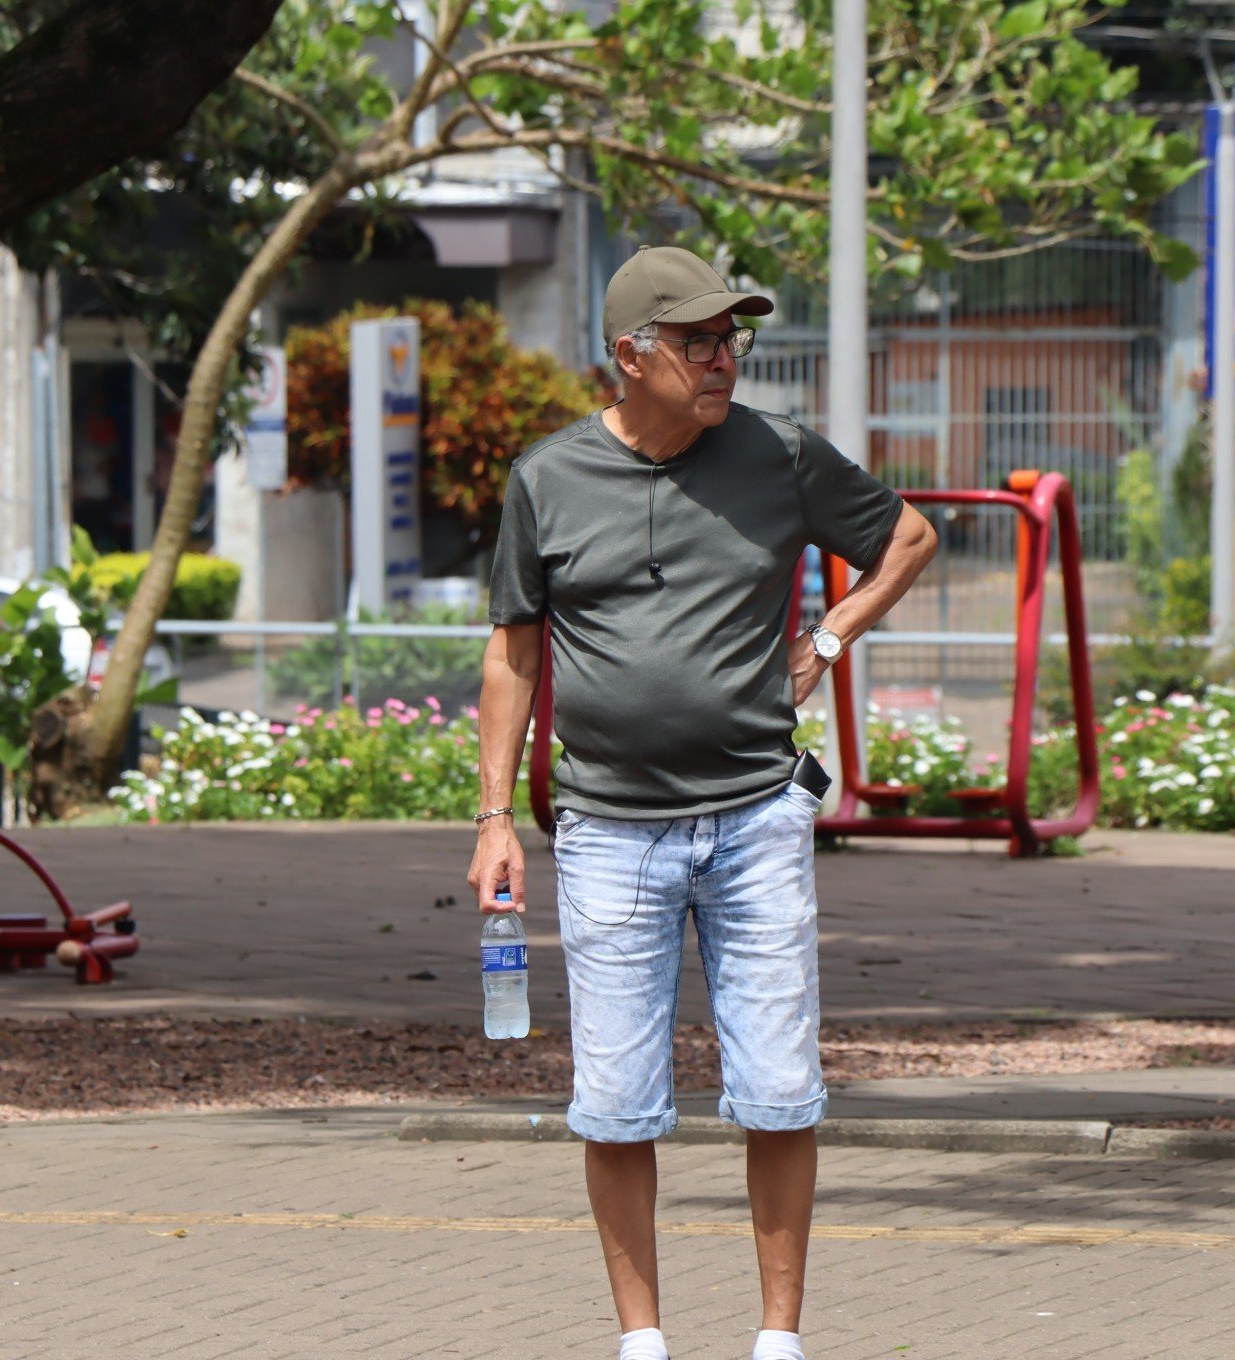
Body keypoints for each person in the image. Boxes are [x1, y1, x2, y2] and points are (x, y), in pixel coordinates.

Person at [469, 245, 938, 1360]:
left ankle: (778, 1340)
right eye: (698, 342)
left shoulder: (777, 454)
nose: (723, 360)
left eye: (732, 340)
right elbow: (513, 656)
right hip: (606, 833)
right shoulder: (548, 480)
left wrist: (827, 637)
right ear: (629, 357)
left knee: (780, 1089)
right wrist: (494, 818)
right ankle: (644, 1342)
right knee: (616, 1100)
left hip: (756, 820)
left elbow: (908, 537)